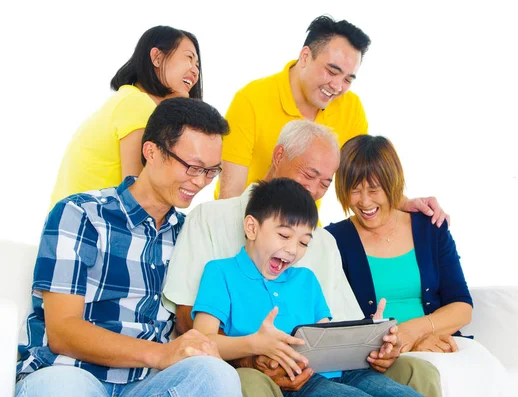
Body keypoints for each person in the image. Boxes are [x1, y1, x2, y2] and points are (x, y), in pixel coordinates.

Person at [163, 119, 442, 397]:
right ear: (279, 156)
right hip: (276, 373)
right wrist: (254, 351)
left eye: (325, 182)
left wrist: (373, 337)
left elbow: (330, 332)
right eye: (309, 174)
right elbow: (194, 329)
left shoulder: (314, 260)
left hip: (327, 369)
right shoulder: (213, 232)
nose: (315, 190)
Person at [16, 98, 241, 397]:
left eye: (211, 171)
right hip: (70, 372)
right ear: (151, 152)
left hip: (149, 384)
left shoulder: (191, 232)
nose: (200, 181)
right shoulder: (81, 214)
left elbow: (195, 321)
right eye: (192, 167)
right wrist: (160, 354)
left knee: (217, 376)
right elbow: (63, 331)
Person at [193, 178, 423, 397]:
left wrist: (370, 337)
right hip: (297, 380)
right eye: (284, 235)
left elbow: (326, 337)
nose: (293, 250)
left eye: (303, 242)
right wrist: (253, 344)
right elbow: (203, 338)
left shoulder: (306, 279)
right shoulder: (220, 272)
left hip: (348, 372)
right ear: (252, 228)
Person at [216, 16, 445, 224]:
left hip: (302, 231)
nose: (337, 87)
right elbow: (229, 198)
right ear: (305, 56)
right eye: (331, 71)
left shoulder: (350, 107)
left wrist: (402, 202)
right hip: (247, 223)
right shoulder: (251, 100)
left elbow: (361, 174)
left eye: (348, 79)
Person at [325, 135, 507, 397]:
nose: (364, 202)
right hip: (377, 356)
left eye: (374, 189)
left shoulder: (430, 228)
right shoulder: (333, 240)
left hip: (437, 340)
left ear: (393, 183)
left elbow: (462, 307)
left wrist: (416, 332)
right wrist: (403, 343)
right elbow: (338, 323)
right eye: (354, 189)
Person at [49, 25, 202, 208]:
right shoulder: (138, 104)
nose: (195, 71)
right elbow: (138, 198)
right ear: (157, 58)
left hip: (74, 225)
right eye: (188, 58)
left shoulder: (127, 99)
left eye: (197, 65)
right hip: (90, 229)